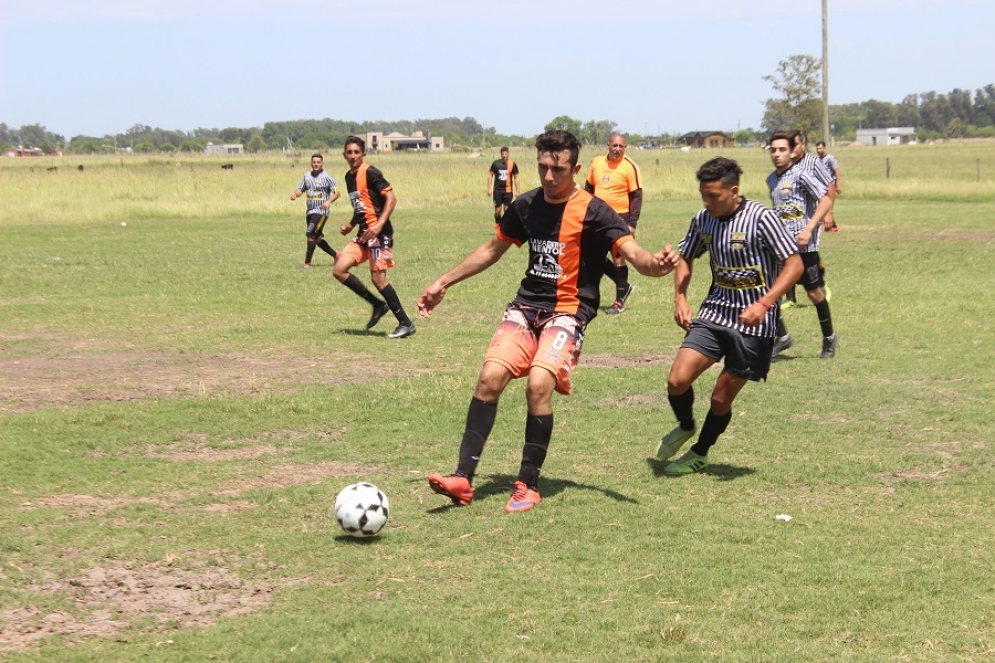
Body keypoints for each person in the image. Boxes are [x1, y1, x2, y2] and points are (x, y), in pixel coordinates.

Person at [418, 130, 679, 513]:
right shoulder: (526, 205)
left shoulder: (594, 210)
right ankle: (462, 479)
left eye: (558, 169)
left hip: (569, 312)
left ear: (575, 168)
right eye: (542, 167)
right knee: (490, 377)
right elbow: (493, 249)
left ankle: (528, 484)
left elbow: (633, 253)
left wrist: (655, 266)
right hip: (526, 307)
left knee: (539, 384)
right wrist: (443, 282)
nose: (549, 177)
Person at [656, 157, 802, 475]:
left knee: (721, 399)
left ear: (733, 191)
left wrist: (764, 303)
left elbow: (795, 264)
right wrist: (680, 297)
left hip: (756, 323)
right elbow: (686, 256)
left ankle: (700, 453)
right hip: (715, 311)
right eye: (703, 196)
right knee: (677, 380)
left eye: (713, 197)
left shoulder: (762, 218)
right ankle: (684, 426)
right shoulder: (703, 219)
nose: (707, 203)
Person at [333, 136, 416, 339]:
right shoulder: (348, 177)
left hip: (380, 234)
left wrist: (379, 225)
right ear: (344, 154)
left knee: (378, 279)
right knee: (339, 269)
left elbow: (391, 198)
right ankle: (377, 304)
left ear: (363, 154)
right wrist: (351, 224)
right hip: (363, 233)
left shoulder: (370, 172)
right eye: (349, 152)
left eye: (356, 152)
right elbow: (360, 205)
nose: (352, 156)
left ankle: (406, 323)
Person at [766, 131, 838, 359]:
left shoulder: (802, 174)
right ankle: (782, 337)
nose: (777, 154)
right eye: (773, 150)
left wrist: (809, 228)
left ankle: (829, 337)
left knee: (814, 294)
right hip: (781, 247)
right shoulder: (771, 179)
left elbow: (825, 198)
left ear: (791, 151)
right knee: (770, 292)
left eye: (782, 150)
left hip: (805, 248)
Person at [584, 132, 643, 314]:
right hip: (598, 217)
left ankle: (619, 301)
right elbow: (588, 189)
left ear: (625, 148)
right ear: (608, 145)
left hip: (620, 218)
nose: (617, 149)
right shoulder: (597, 162)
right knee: (594, 257)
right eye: (614, 146)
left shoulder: (630, 167)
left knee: (618, 258)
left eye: (621, 147)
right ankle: (623, 286)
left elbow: (637, 196)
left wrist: (632, 223)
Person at [290, 154, 340, 267]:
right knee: (316, 238)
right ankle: (337, 256)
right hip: (310, 211)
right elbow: (300, 190)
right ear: (311, 163)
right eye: (314, 162)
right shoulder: (306, 176)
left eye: (318, 162)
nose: (316, 164)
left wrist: (328, 201)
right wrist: (295, 194)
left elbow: (337, 192)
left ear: (322, 163)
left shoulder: (327, 177)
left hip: (321, 212)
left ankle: (307, 263)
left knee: (310, 234)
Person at [487, 147, 520, 221]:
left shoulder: (512, 164)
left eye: (506, 154)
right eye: (503, 154)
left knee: (507, 210)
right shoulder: (495, 163)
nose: (504, 155)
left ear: (508, 154)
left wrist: (518, 191)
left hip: (508, 191)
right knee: (498, 211)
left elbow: (516, 178)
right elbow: (490, 175)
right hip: (497, 191)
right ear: (501, 154)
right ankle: (498, 221)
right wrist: (489, 188)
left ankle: (503, 229)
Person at [815, 141, 841, 231]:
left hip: (830, 186)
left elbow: (836, 171)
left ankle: (832, 227)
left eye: (820, 148)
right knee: (822, 206)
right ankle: (829, 226)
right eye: (817, 148)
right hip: (821, 187)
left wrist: (838, 185)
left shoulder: (830, 159)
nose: (818, 150)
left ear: (825, 148)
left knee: (829, 207)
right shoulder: (817, 160)